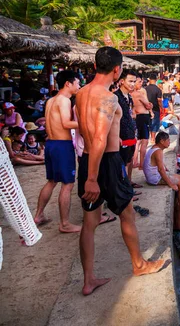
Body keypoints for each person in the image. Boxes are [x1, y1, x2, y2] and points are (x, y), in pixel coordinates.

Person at [75, 47, 165, 296]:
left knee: (89, 222)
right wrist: (94, 179)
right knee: (127, 213)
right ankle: (139, 264)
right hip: (107, 161)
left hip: (86, 160)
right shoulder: (108, 98)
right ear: (117, 70)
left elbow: (84, 132)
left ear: (95, 66)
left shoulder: (81, 94)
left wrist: (88, 173)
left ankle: (88, 279)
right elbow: (101, 139)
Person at [33, 70, 82, 232]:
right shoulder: (64, 100)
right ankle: (65, 224)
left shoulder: (51, 100)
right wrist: (88, 121)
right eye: (77, 83)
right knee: (67, 184)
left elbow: (50, 123)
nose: (79, 86)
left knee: (52, 181)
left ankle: (39, 215)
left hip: (52, 144)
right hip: (62, 145)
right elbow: (66, 124)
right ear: (68, 83)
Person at [143, 132, 180, 207]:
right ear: (162, 141)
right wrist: (171, 184)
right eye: (168, 140)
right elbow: (160, 170)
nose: (169, 142)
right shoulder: (158, 151)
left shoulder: (155, 148)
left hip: (153, 176)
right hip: (154, 178)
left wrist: (165, 167)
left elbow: (159, 163)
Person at [114, 70, 138, 181]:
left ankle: (128, 183)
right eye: (130, 81)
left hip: (130, 133)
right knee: (122, 163)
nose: (133, 84)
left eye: (134, 81)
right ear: (122, 81)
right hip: (121, 135)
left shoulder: (129, 97)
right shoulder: (115, 97)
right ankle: (123, 187)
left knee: (129, 160)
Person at [132, 75, 153, 170]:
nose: (141, 84)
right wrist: (151, 106)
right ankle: (141, 164)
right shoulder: (138, 94)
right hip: (143, 116)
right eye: (139, 82)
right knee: (144, 141)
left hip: (137, 117)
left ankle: (134, 161)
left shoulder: (129, 94)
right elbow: (148, 106)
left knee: (137, 142)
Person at [144, 74, 163, 142]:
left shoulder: (145, 89)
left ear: (149, 79)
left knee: (148, 123)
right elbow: (159, 101)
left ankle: (148, 137)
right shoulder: (158, 89)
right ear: (156, 79)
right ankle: (153, 138)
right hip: (155, 108)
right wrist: (162, 108)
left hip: (146, 108)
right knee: (155, 123)